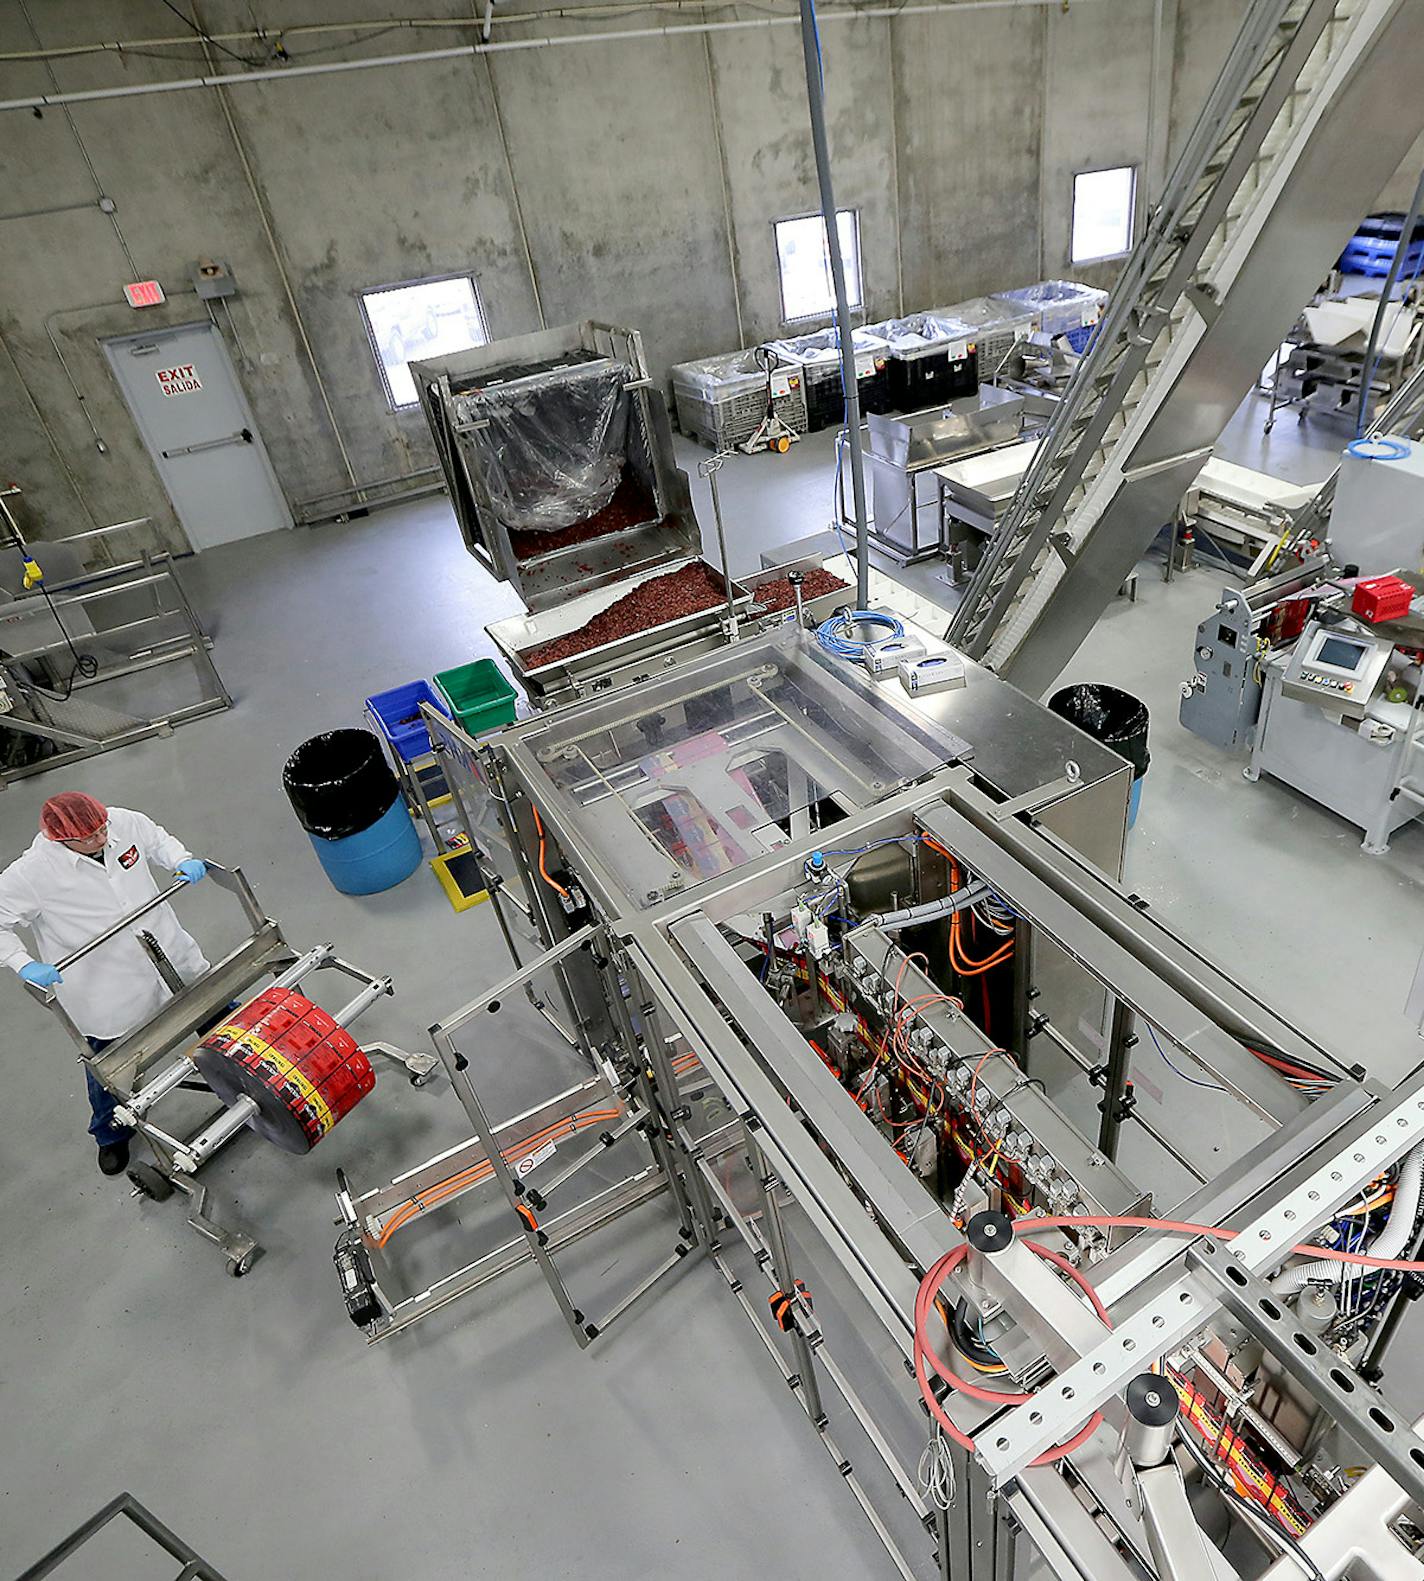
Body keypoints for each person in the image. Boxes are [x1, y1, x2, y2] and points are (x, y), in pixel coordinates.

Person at [0, 791, 210, 1176]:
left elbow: (157, 839)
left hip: (168, 950)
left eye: (102, 829)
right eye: (90, 837)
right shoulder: (31, 874)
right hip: (104, 987)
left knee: (214, 1011)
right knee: (108, 1067)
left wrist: (180, 859)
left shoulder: (122, 821)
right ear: (58, 838)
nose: (101, 839)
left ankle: (249, 1072)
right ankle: (109, 1134)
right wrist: (22, 963)